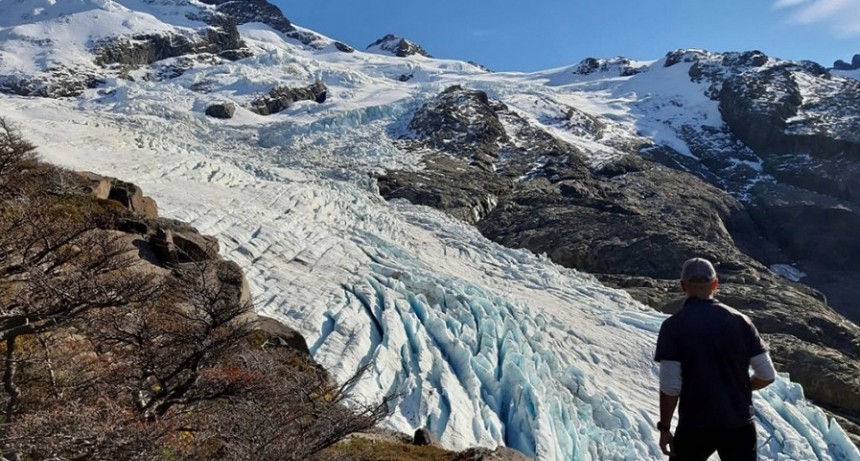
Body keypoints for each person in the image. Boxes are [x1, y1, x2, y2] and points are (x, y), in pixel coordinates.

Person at [654, 257, 776, 460]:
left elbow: (670, 386)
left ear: (683, 285)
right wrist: (741, 386)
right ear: (715, 284)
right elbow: (767, 374)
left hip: (695, 426)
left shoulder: (673, 327)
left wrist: (665, 428)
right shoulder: (740, 321)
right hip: (739, 424)